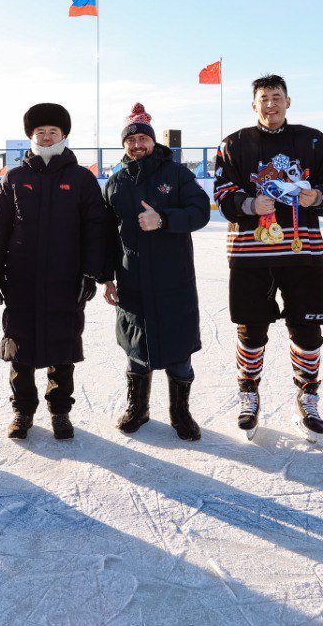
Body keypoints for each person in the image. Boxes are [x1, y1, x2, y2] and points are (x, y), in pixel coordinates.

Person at [212, 75, 323, 442]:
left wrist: (316, 196)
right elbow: (223, 193)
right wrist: (248, 204)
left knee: (307, 329)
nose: (271, 104)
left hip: (304, 254)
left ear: (289, 101)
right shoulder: (233, 144)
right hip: (251, 255)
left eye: (277, 97)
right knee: (251, 329)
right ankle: (248, 393)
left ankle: (308, 395)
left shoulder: (313, 140)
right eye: (264, 98)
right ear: (254, 104)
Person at [0, 104, 108, 440]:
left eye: (53, 131)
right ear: (31, 136)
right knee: (20, 347)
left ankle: (59, 412)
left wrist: (90, 273)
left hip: (65, 278)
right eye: (40, 132)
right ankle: (23, 411)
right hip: (21, 277)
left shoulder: (81, 178)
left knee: (62, 346)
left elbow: (95, 227)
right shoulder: (15, 177)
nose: (46, 136)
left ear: (64, 135)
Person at [102, 103, 210, 441]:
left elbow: (201, 211)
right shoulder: (116, 182)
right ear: (124, 145)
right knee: (137, 350)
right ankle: (139, 408)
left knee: (178, 352)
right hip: (131, 280)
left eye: (141, 139)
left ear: (152, 141)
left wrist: (163, 219)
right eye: (130, 140)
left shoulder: (176, 174)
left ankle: (180, 413)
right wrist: (106, 277)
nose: (136, 145)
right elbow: (104, 234)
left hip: (173, 280)